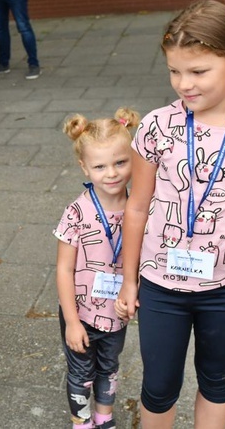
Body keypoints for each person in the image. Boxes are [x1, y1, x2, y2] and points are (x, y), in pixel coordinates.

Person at [116, 0, 225, 429]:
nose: (183, 84)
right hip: (160, 284)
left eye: (197, 72)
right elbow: (136, 206)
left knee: (217, 379)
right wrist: (128, 278)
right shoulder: (156, 126)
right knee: (158, 385)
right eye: (175, 71)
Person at [55, 108, 140, 429]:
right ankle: (82, 422)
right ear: (84, 167)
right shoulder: (77, 211)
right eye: (100, 166)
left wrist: (135, 293)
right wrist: (72, 322)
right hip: (80, 311)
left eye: (120, 162)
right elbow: (64, 270)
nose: (112, 173)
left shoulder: (138, 207)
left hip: (116, 309)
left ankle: (104, 417)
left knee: (110, 366)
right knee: (80, 372)